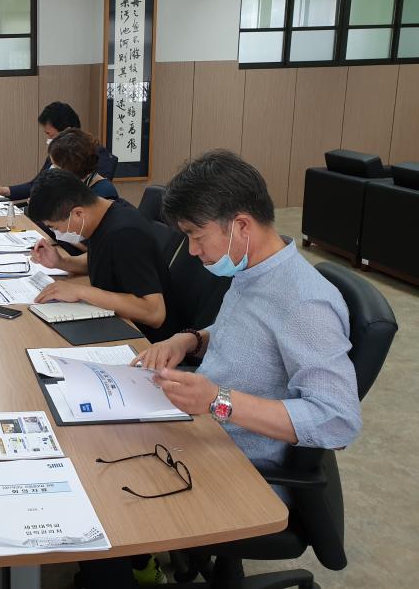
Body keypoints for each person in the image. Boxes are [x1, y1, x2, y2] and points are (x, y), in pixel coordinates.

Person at [134, 150, 361, 491]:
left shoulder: (305, 303)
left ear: (241, 226)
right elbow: (252, 337)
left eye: (197, 236)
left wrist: (217, 400)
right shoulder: (253, 270)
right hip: (202, 432)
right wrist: (190, 340)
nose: (192, 251)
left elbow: (338, 422)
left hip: (240, 468)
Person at [27, 169, 176, 343]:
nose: (57, 233)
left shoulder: (125, 234)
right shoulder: (105, 213)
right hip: (114, 321)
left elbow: (155, 313)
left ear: (78, 214)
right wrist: (61, 262)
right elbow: (103, 261)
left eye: (55, 227)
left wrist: (80, 291)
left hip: (144, 340)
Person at [0, 102, 116, 200]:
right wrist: (3, 190)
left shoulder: (94, 156)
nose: (48, 139)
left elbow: (89, 197)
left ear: (67, 132)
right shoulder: (58, 152)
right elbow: (36, 185)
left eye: (50, 134)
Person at [48, 128, 119, 199]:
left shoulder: (104, 193)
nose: (52, 168)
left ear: (72, 168)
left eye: (56, 166)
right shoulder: (72, 183)